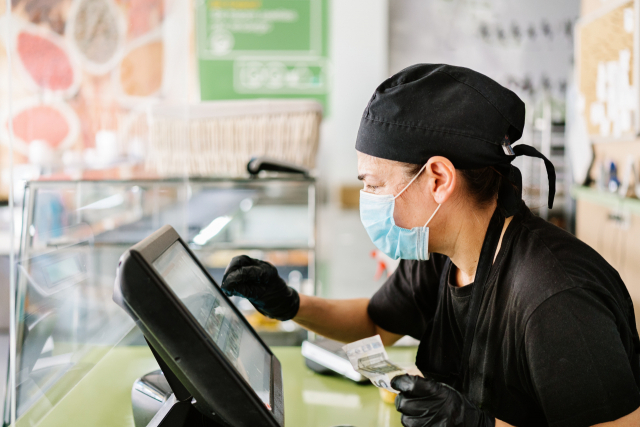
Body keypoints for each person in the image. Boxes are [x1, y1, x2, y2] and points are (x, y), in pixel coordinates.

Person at [222, 64, 640, 426]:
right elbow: (375, 324)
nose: (369, 200)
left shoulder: (553, 296)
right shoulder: (440, 252)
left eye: (374, 185)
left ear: (437, 179)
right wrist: (289, 305)